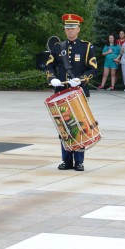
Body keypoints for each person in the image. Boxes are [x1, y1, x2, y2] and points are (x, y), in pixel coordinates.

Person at [45, 13, 97, 171]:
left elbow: (93, 69)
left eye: (72, 28)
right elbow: (48, 66)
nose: (69, 31)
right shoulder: (57, 47)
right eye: (67, 28)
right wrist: (51, 78)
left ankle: (79, 161)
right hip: (61, 93)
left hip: (79, 93)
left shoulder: (86, 47)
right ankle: (66, 160)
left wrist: (81, 79)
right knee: (64, 126)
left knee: (80, 126)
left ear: (78, 29)